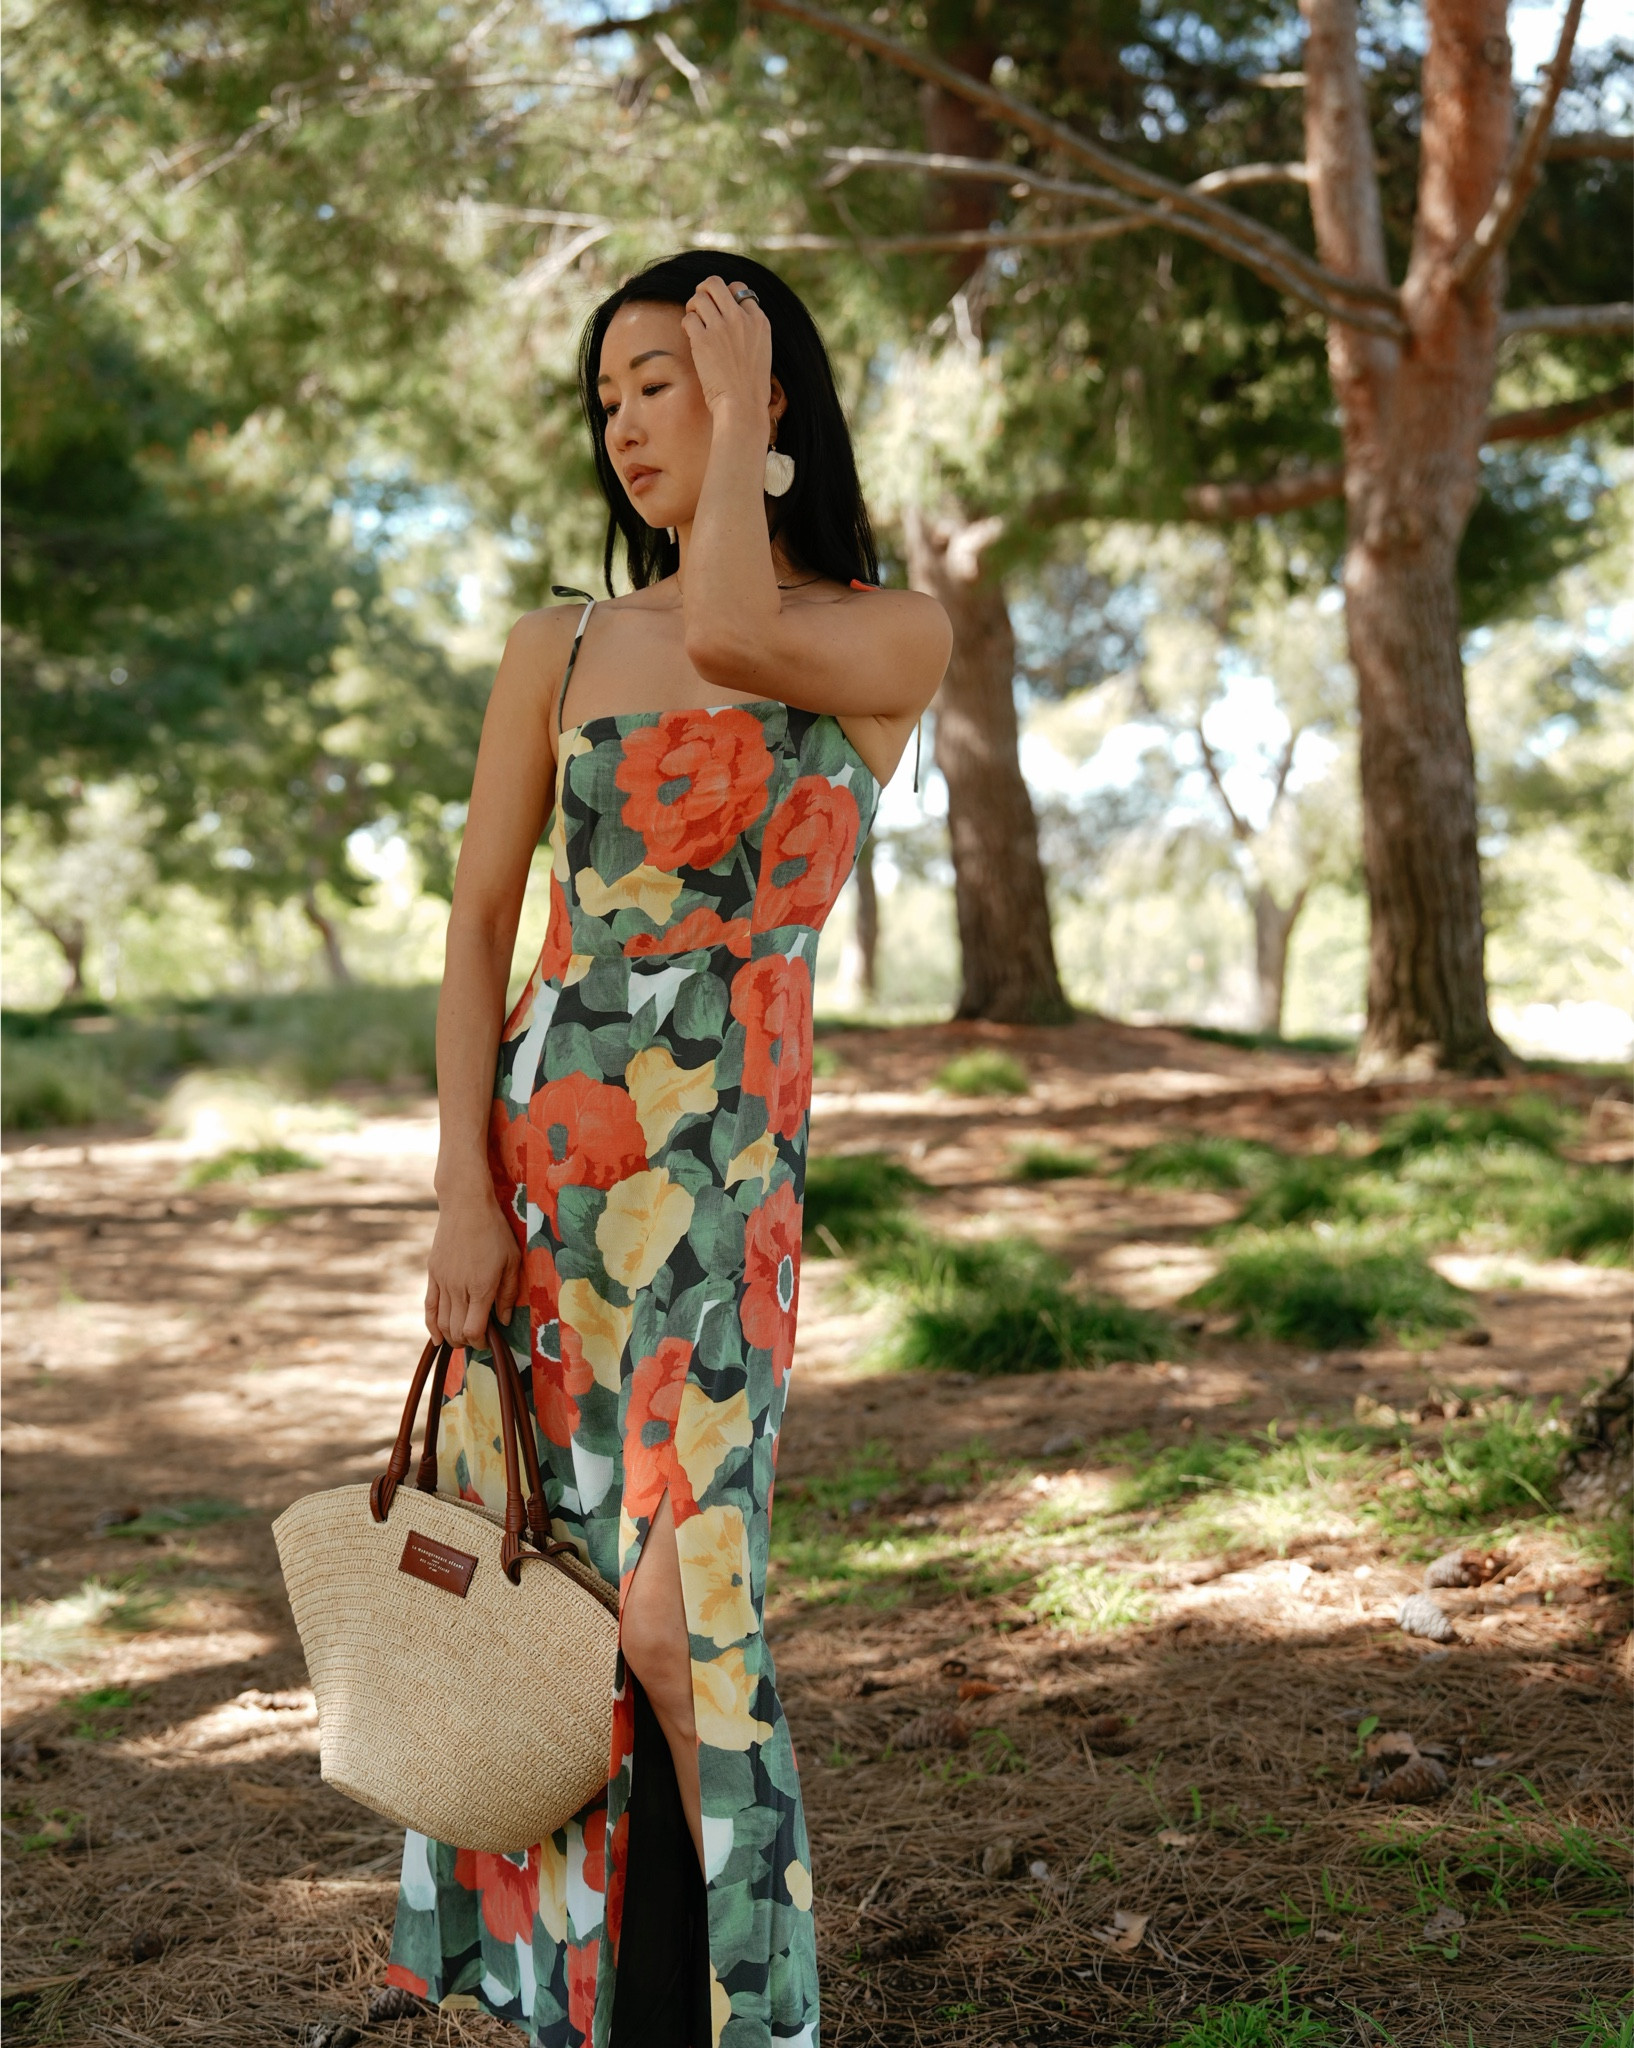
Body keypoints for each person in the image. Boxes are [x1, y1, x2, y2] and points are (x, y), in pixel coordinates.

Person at [382, 250, 951, 2048]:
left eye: (668, 377)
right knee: (548, 1611)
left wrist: (728, 469)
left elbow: (732, 637)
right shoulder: (550, 647)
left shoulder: (887, 629)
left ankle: (758, 2020)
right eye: (608, 396)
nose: (627, 422)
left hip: (722, 1194)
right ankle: (600, 2011)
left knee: (671, 1621)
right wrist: (459, 1191)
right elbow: (483, 923)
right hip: (543, 1190)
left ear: (767, 392)